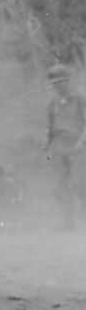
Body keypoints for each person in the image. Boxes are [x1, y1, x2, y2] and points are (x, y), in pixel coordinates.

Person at [45, 63, 86, 228]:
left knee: (79, 184)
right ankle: (67, 221)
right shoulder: (52, 103)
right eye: (54, 83)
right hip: (59, 146)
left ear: (68, 81)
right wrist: (47, 146)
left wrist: (81, 143)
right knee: (60, 186)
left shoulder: (80, 99)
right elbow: (51, 127)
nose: (58, 86)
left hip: (78, 145)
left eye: (61, 82)